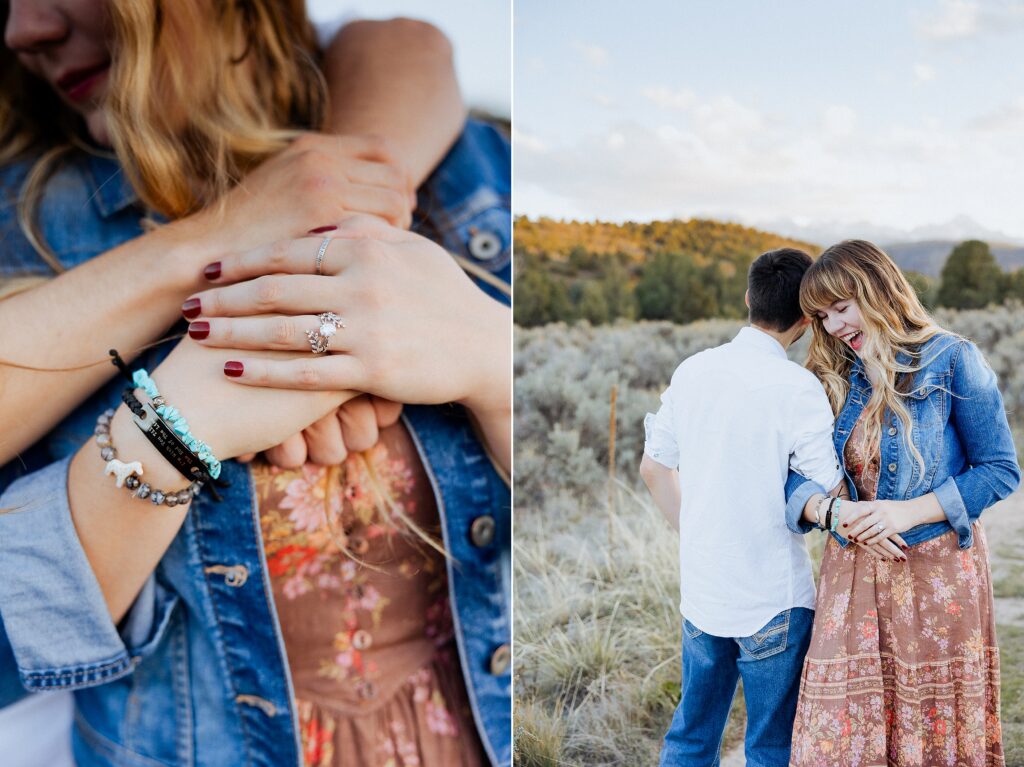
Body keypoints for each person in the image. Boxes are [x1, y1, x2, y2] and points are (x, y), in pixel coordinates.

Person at [0, 1, 511, 766]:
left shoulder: (465, 164)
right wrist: (172, 427)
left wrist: (492, 366)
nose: (23, 30)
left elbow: (583, 518)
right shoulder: (25, 222)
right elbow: (16, 643)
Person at [785, 240, 1019, 767]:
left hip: (936, 579)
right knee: (838, 740)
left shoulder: (953, 359)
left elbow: (1001, 471)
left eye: (841, 308)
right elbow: (788, 478)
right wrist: (830, 512)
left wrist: (906, 512)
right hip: (850, 578)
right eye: (821, 317)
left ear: (878, 289)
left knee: (928, 734)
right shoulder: (830, 377)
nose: (833, 327)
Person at [640, 248, 849, 767]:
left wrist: (697, 536)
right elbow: (827, 487)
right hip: (773, 596)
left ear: (748, 297)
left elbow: (652, 468)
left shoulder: (693, 371)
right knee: (771, 745)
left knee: (691, 736)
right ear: (807, 316)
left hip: (704, 589)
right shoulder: (797, 386)